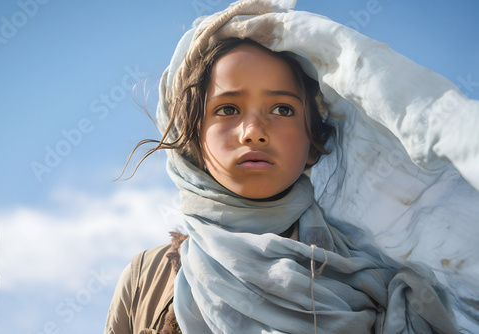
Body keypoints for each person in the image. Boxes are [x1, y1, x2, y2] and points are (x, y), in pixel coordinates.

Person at [105, 0, 479, 333]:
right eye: (227, 109)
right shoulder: (146, 279)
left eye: (282, 109)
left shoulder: (375, 276)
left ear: (314, 144)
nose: (253, 132)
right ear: (192, 139)